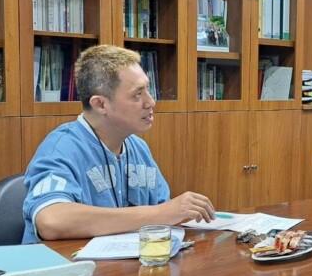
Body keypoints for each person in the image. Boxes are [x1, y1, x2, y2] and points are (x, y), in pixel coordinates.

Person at [22, 45, 215, 243]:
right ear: (101, 104)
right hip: (64, 270)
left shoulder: (138, 148)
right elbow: (51, 220)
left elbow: (165, 215)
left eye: (147, 90)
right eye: (137, 94)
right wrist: (160, 213)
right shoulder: (61, 148)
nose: (151, 102)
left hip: (124, 269)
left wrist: (177, 212)